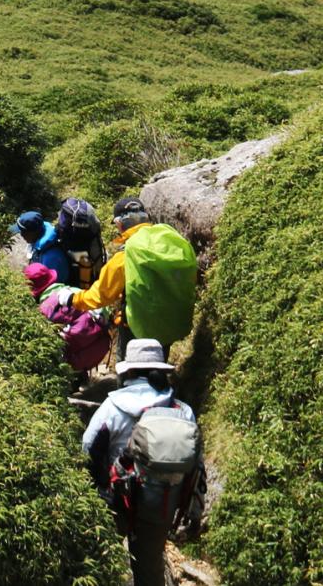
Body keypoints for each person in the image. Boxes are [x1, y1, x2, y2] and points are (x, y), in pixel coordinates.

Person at [81, 339, 199, 586]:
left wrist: (99, 484)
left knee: (103, 558)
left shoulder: (113, 407)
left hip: (116, 500)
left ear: (130, 372)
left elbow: (88, 449)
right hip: (162, 502)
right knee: (149, 565)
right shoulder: (183, 410)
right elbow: (194, 461)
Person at [49, 196, 196, 359]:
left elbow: (102, 295)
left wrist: (73, 299)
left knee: (128, 370)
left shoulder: (126, 254)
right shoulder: (170, 239)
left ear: (119, 223)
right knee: (159, 362)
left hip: (138, 328)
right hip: (171, 322)